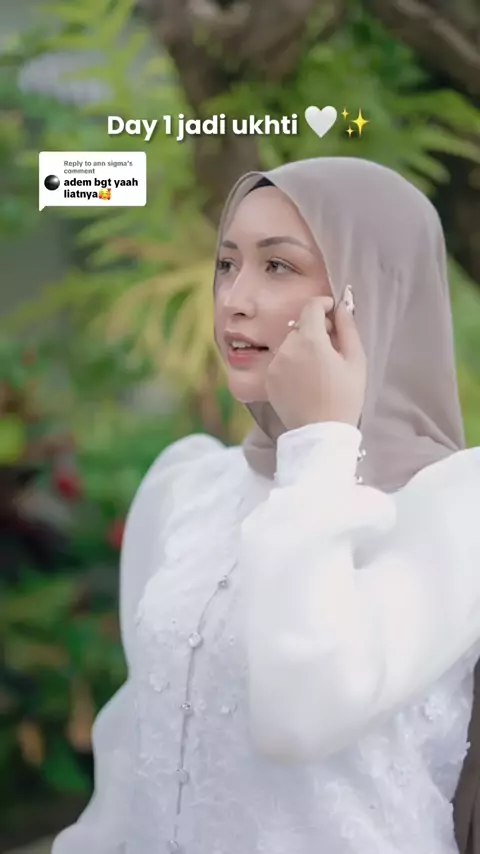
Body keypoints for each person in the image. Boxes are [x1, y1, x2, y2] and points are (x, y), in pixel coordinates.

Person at [52, 157, 480, 854]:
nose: (235, 299)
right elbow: (137, 751)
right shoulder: (189, 486)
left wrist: (320, 443)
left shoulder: (456, 508)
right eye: (227, 264)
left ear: (369, 290)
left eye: (278, 266)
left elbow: (302, 714)